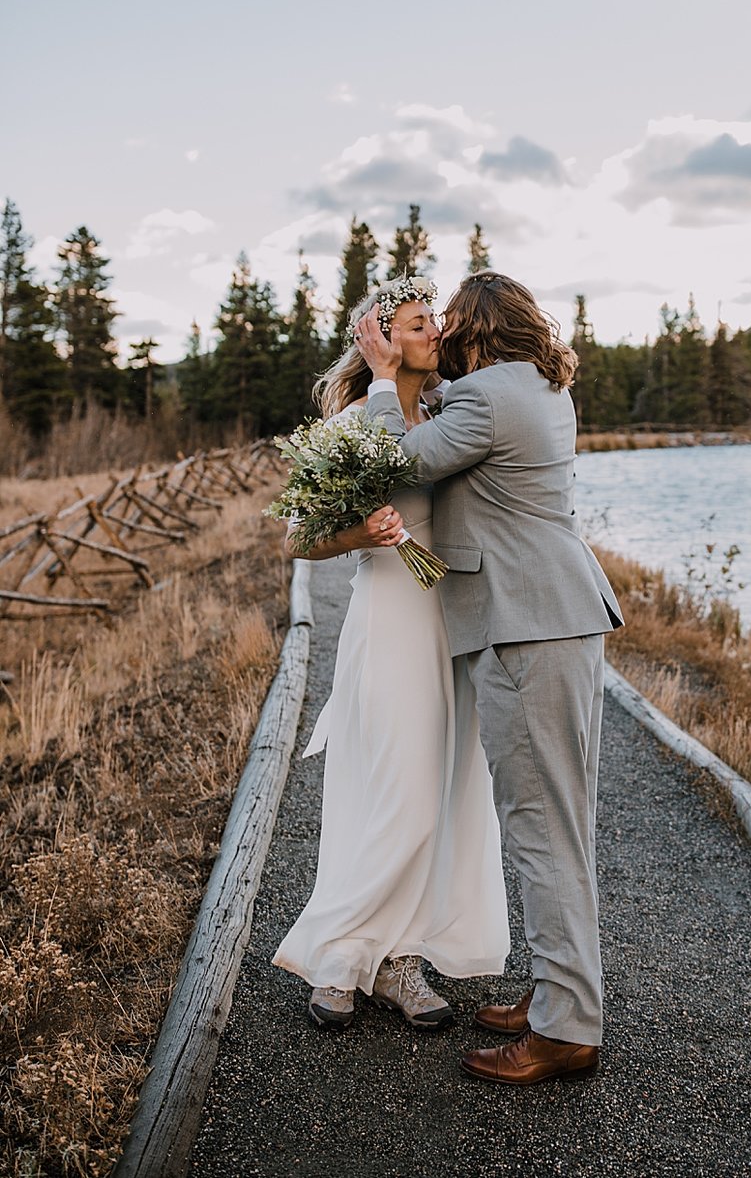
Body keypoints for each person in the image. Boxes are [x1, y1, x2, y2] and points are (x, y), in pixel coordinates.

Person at [355, 270, 623, 1086]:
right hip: (559, 613)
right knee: (556, 821)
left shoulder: (485, 399)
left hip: (524, 625)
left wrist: (377, 381)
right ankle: (557, 994)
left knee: (542, 828)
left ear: (473, 327)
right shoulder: (537, 386)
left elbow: (400, 457)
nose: (439, 335)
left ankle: (567, 1027)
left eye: (448, 323)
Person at [272, 275, 509, 1033]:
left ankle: (401, 959)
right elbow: (300, 539)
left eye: (432, 320)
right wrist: (360, 536)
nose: (434, 332)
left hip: (454, 620)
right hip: (390, 620)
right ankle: (341, 954)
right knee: (394, 786)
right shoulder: (352, 427)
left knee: (442, 789)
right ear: (379, 340)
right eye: (416, 324)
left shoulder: (448, 412)